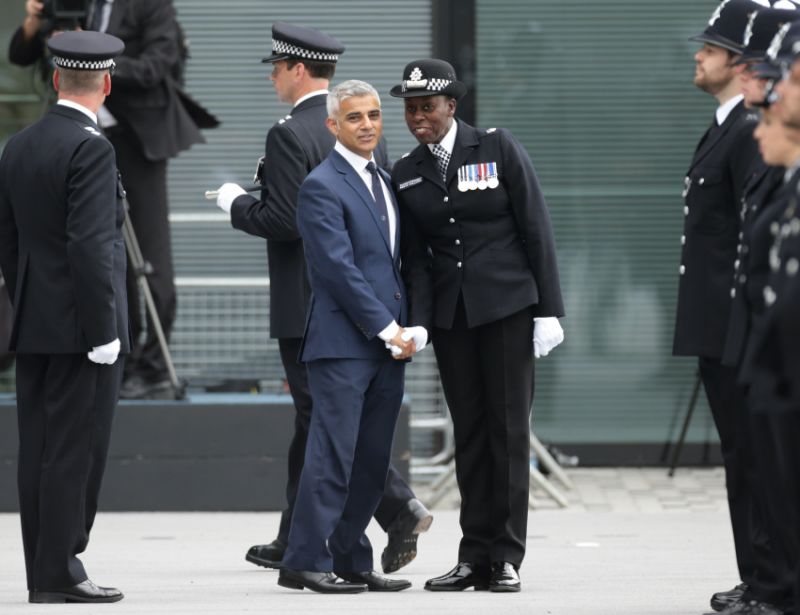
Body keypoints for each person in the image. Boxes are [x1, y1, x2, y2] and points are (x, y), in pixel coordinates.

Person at [213, 22, 431, 575]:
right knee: (326, 431)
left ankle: (356, 529)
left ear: (298, 70)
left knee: (330, 434)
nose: (272, 76)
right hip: (357, 315)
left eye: (277, 67)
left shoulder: (292, 133)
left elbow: (287, 222)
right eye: (357, 117)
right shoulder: (364, 149)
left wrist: (235, 203)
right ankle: (313, 546)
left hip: (318, 310)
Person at [390, 58, 565, 593]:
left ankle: (506, 555)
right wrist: (418, 323)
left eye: (428, 106)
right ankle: (473, 555)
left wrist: (550, 308)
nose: (419, 116)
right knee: (469, 435)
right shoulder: (406, 170)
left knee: (507, 433)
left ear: (451, 105)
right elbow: (416, 260)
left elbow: (536, 225)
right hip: (453, 318)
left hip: (508, 309)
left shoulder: (495, 146)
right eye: (411, 108)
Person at [8, 0, 217, 400]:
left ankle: (154, 368)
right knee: (105, 251)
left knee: (150, 255)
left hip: (137, 141)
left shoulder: (150, 6)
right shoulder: (74, 5)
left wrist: (85, 65)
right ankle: (123, 353)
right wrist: (36, 21)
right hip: (85, 138)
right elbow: (19, 55)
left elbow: (157, 65)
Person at [276, 79, 425, 594]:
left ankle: (352, 558)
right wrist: (388, 328)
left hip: (388, 348)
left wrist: (410, 329)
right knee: (331, 456)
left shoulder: (384, 179)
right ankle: (302, 561)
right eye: (355, 117)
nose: (367, 125)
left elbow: (395, 265)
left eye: (374, 115)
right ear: (333, 125)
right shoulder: (321, 184)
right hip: (343, 345)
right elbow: (337, 271)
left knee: (370, 458)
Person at [0, 30, 129, 604]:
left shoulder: (19, 144)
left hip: (33, 320)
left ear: (55, 80)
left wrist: (27, 302)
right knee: (76, 450)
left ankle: (46, 569)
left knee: (40, 449)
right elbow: (90, 247)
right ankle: (61, 570)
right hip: (81, 327)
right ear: (105, 83)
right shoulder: (92, 147)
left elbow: (8, 242)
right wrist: (104, 332)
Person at [676, 2, 771, 613]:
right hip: (720, 328)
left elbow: (754, 236)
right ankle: (759, 576)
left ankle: (771, 581)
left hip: (740, 327)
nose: (698, 56)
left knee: (758, 459)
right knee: (743, 459)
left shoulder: (748, 131)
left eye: (709, 49)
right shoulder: (724, 126)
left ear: (740, 64)